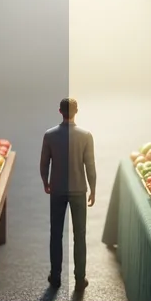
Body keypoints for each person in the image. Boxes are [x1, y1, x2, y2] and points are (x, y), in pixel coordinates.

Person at [40, 98, 96, 289]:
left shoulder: (49, 135)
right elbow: (90, 166)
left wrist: (46, 182)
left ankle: (55, 276)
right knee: (79, 235)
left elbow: (44, 163)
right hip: (79, 189)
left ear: (60, 111)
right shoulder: (86, 136)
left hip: (57, 189)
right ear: (76, 111)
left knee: (56, 233)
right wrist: (93, 189)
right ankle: (80, 279)